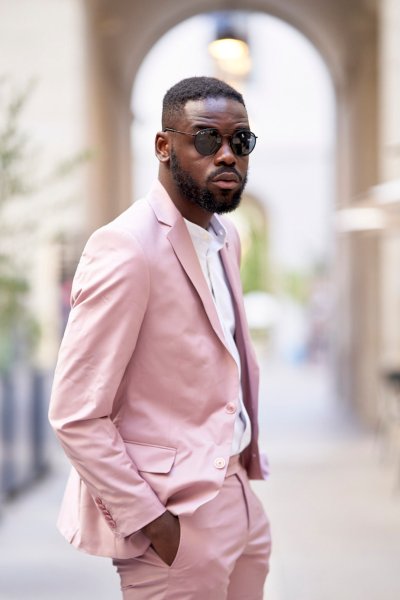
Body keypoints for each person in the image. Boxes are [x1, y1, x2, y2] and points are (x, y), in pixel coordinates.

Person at [49, 76, 271, 600]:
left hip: (240, 501)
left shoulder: (225, 238)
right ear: (164, 146)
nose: (226, 156)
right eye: (205, 138)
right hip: (175, 522)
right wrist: (153, 522)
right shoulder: (126, 248)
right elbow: (76, 413)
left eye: (240, 142)